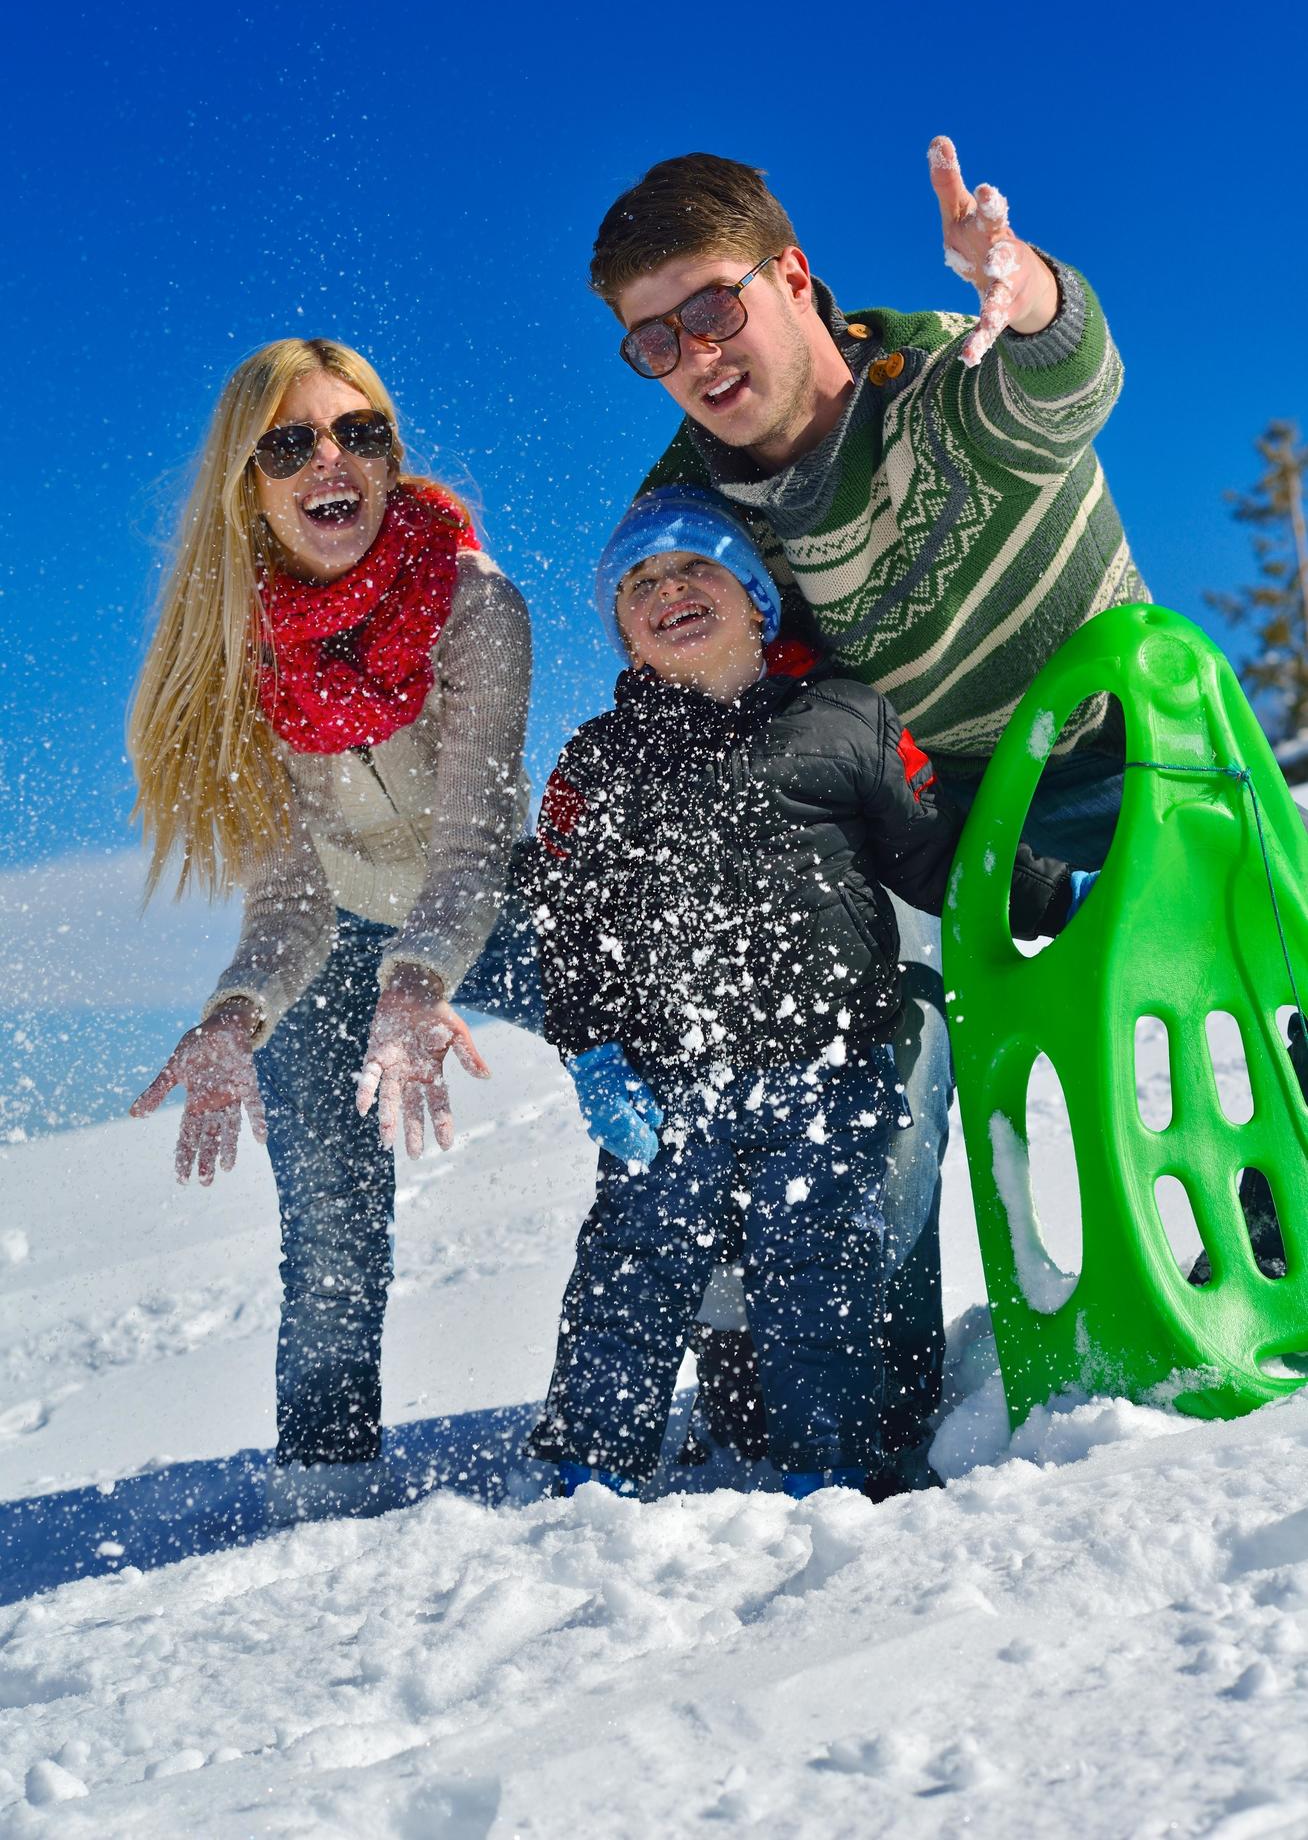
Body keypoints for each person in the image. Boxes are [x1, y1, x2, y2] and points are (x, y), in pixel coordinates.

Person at [586, 138, 1144, 1478]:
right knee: (864, 1038)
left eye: (711, 304)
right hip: (932, 809)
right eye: (651, 338)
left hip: (1112, 749)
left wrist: (1037, 296)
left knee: (1256, 923)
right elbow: (706, 702)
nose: (693, 352)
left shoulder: (940, 377)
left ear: (794, 277)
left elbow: (1063, 385)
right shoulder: (693, 509)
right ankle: (859, 1405)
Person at [523, 488, 1095, 1498]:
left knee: (816, 1277)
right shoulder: (595, 764)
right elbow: (570, 928)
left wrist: (1056, 894)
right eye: (640, 585)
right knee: (631, 1269)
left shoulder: (841, 720)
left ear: (754, 597)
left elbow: (940, 861)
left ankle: (822, 1473)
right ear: (622, 633)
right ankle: (584, 1473)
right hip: (668, 1084)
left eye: (694, 567)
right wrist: (593, 1053)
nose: (669, 592)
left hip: (828, 1071)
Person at [128, 338, 538, 1520]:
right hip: (342, 934)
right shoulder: (233, 657)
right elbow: (292, 899)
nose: (331, 458)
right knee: (329, 1234)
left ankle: (738, 1363)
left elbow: (473, 845)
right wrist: (237, 1012)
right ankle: (324, 1496)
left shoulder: (475, 601)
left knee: (655, 1064)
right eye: (291, 441)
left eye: (360, 433)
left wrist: (419, 982)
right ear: (247, 483)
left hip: (494, 904)